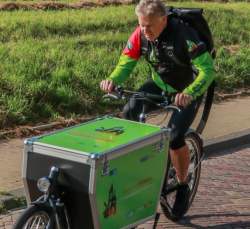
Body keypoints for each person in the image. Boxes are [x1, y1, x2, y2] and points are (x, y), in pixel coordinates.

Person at [100, 0, 216, 219]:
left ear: (164, 20)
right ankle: (140, 167)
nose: (145, 31)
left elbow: (208, 70)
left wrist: (190, 92)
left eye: (150, 26)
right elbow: (126, 62)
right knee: (130, 112)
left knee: (174, 137)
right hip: (161, 85)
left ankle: (182, 186)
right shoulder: (140, 34)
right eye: (142, 25)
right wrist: (113, 80)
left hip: (187, 90)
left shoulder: (184, 34)